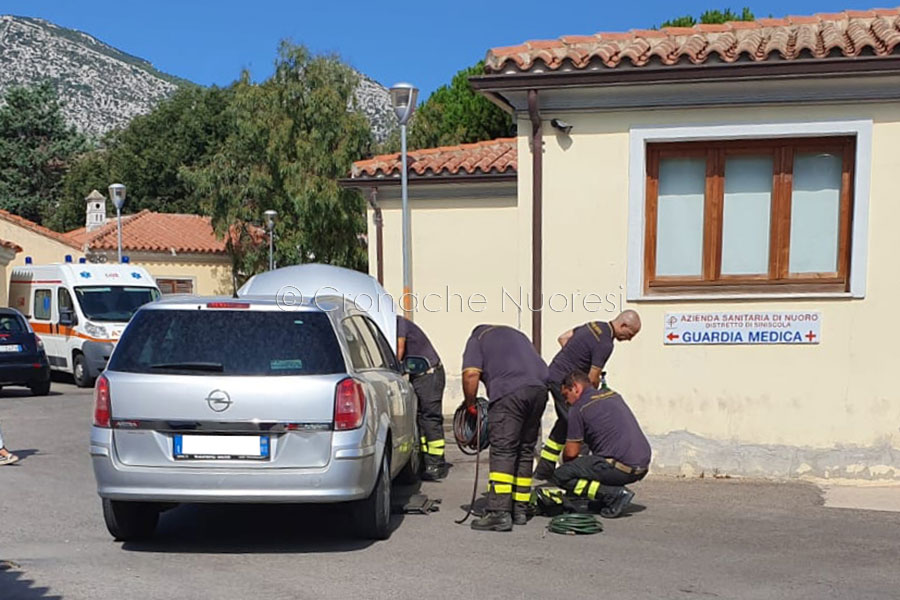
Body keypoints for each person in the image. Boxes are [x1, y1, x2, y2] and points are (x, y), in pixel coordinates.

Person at [534, 310, 642, 481]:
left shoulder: (594, 325)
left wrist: (574, 358)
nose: (630, 339)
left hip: (554, 375)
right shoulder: (605, 344)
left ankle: (544, 470)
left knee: (565, 422)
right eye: (631, 334)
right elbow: (592, 378)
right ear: (623, 325)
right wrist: (592, 399)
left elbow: (563, 338)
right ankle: (576, 473)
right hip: (567, 386)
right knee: (581, 425)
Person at [461, 325, 548, 531]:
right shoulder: (518, 335)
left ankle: (499, 512)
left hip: (510, 393)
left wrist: (470, 405)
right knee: (525, 450)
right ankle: (519, 510)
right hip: (539, 390)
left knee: (503, 450)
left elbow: (471, 374)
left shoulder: (477, 338)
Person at [552, 370, 651, 518]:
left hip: (620, 467)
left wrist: (566, 465)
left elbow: (571, 453)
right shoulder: (612, 395)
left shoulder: (578, 408)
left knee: (561, 475)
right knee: (590, 463)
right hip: (641, 465)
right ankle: (604, 497)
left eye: (566, 395)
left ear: (575, 388)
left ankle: (614, 494)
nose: (566, 401)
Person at [397, 315, 448, 480]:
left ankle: (437, 464)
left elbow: (399, 350)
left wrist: (393, 371)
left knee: (430, 418)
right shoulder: (393, 325)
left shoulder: (399, 323)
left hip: (429, 374)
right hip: (419, 375)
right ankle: (426, 462)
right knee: (421, 419)